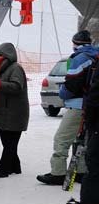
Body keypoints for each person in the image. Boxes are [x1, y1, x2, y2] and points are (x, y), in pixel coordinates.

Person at [38, 30, 98, 185]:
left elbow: (71, 84)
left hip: (78, 106)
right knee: (81, 139)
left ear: (75, 43)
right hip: (91, 105)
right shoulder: (95, 56)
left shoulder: (79, 58)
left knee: (62, 139)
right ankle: (80, 172)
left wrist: (63, 94)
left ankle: (58, 173)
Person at [64, 51, 99, 204]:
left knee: (93, 160)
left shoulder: (88, 61)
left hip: (89, 115)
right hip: (87, 112)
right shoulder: (91, 61)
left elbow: (93, 95)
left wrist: (89, 120)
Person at [0, 42, 29, 179]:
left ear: (8, 56)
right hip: (4, 112)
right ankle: (15, 167)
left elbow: (17, 86)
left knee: (10, 142)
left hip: (15, 112)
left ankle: (3, 169)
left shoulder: (15, 68)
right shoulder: (0, 69)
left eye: (0, 55)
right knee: (7, 142)